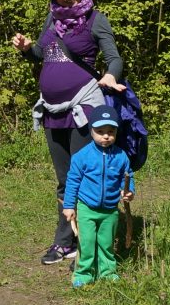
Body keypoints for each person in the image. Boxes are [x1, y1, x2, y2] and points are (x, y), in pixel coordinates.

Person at [11, 0, 127, 266]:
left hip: (83, 108)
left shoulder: (95, 20)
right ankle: (66, 242)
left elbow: (114, 58)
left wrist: (111, 76)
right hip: (52, 111)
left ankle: (88, 244)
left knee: (84, 176)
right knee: (65, 180)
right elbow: (43, 53)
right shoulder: (52, 18)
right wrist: (26, 49)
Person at [62, 105, 135, 287]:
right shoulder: (82, 156)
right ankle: (84, 273)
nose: (106, 136)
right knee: (86, 243)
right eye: (100, 131)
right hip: (87, 208)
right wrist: (69, 206)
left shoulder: (121, 156)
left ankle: (107, 272)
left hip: (110, 210)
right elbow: (72, 182)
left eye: (110, 131)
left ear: (116, 132)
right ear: (91, 130)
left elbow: (127, 175)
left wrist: (128, 191)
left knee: (106, 243)